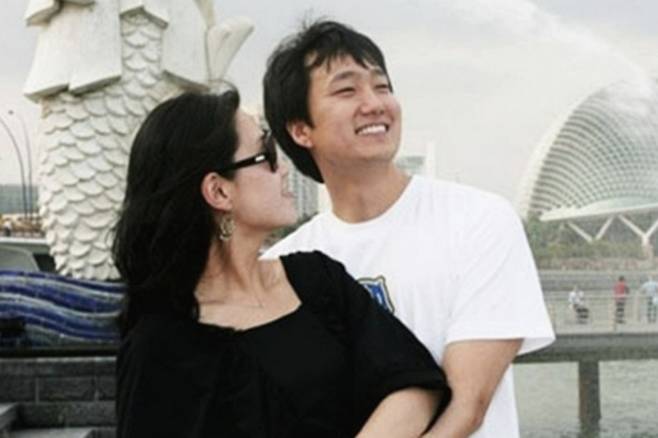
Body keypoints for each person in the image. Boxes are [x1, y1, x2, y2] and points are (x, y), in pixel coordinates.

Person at [262, 20, 555, 438]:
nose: (375, 104)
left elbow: (467, 405)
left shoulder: (479, 219)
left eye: (382, 87)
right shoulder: (281, 265)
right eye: (347, 91)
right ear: (300, 129)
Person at [113, 90, 451, 437]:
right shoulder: (160, 347)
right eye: (268, 156)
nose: (284, 170)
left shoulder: (316, 280)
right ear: (219, 192)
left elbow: (415, 383)